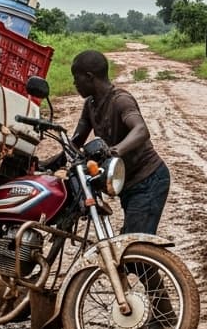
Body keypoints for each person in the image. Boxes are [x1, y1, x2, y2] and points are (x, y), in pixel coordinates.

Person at [66, 50, 169, 235]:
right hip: (127, 184)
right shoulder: (90, 104)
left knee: (135, 245)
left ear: (89, 77)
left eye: (76, 78)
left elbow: (141, 130)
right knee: (129, 240)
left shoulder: (120, 100)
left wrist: (114, 151)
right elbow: (76, 141)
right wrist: (50, 162)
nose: (74, 84)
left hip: (148, 180)